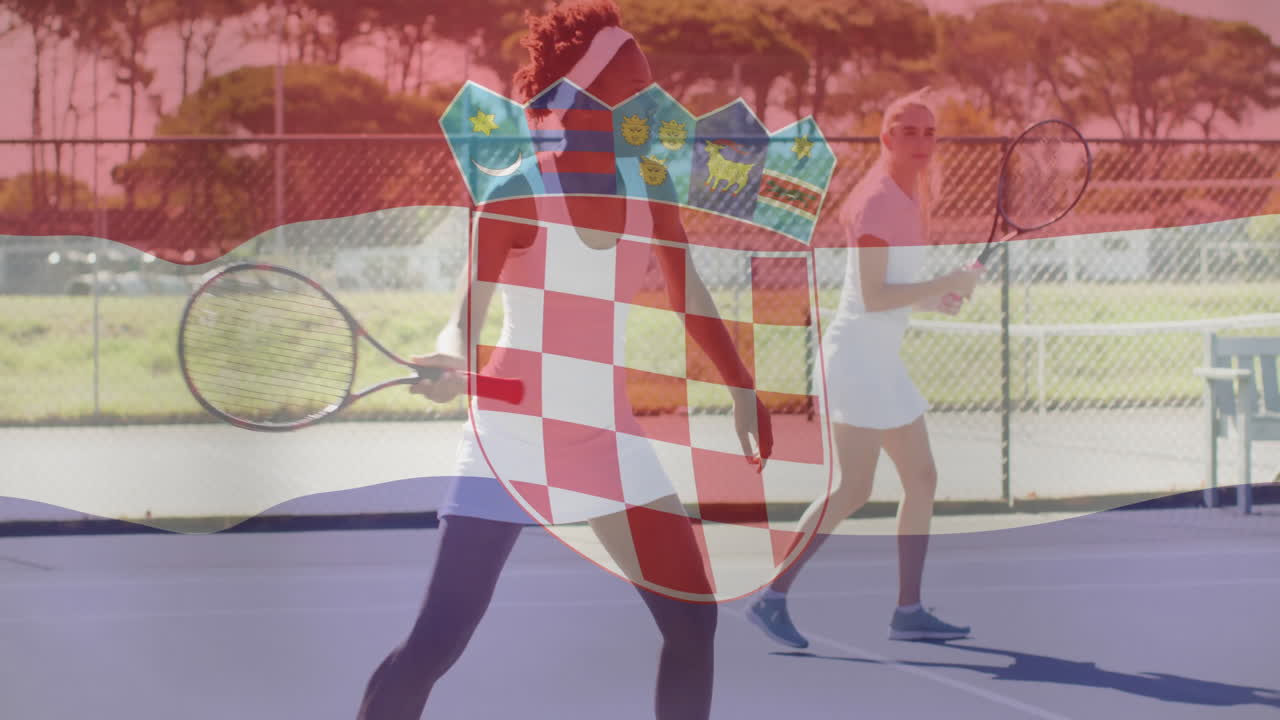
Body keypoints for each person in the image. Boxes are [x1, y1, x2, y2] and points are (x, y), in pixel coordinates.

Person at [357, 3, 770, 719]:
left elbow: (687, 294)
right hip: (511, 441)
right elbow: (465, 312)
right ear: (580, 96)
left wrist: (740, 384)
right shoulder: (516, 191)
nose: (652, 101)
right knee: (436, 643)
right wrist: (450, 356)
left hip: (606, 440)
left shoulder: (650, 187)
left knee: (692, 621)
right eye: (633, 87)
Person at [746, 89, 982, 648]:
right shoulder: (878, 200)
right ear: (886, 139)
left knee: (920, 478)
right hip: (856, 359)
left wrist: (938, 297)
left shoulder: (910, 198)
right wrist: (943, 283)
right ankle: (771, 597)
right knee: (852, 488)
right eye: (908, 130)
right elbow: (874, 296)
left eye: (928, 132)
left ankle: (908, 610)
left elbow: (893, 293)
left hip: (879, 361)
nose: (921, 141)